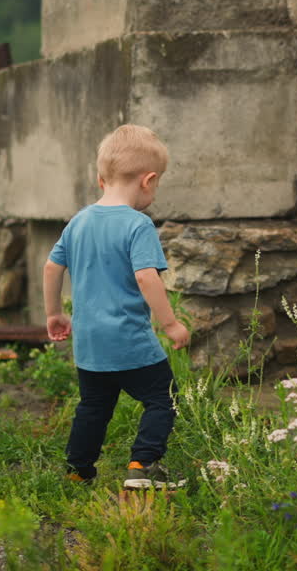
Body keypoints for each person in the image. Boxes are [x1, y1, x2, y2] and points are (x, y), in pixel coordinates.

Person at [42, 124, 191, 490]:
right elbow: (146, 277)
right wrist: (170, 324)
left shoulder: (78, 222)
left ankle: (78, 470)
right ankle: (143, 464)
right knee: (163, 398)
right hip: (128, 339)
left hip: (89, 342)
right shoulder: (138, 225)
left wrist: (54, 314)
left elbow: (51, 267)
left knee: (93, 405)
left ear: (101, 179)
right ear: (148, 180)